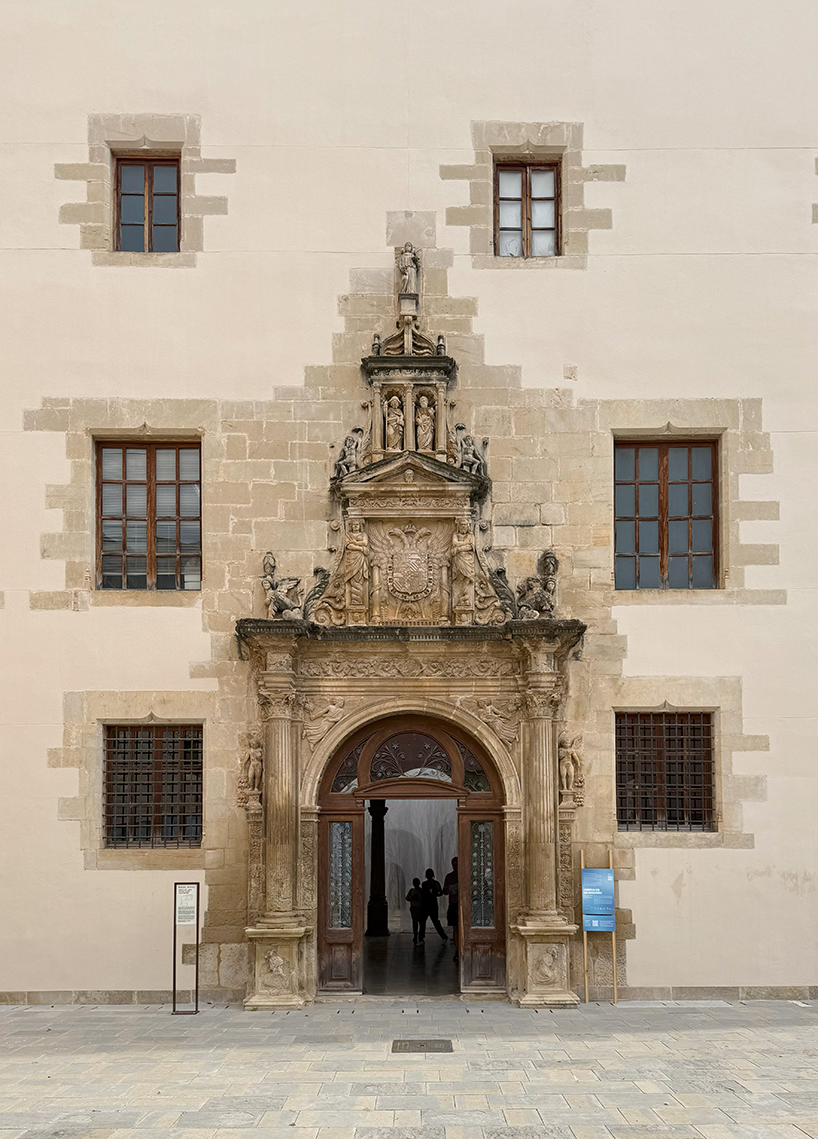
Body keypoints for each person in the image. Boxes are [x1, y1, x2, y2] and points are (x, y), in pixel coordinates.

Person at [419, 868, 447, 943]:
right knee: (422, 922)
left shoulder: (435, 883)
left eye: (430, 875)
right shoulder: (424, 884)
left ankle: (444, 936)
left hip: (432, 904)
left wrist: (434, 894)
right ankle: (421, 938)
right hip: (425, 904)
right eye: (428, 875)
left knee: (435, 922)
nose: (429, 876)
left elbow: (441, 893)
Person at [443, 856, 459, 962]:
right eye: (454, 865)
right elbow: (444, 891)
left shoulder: (465, 875)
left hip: (463, 904)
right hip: (453, 904)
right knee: (455, 928)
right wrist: (449, 889)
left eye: (457, 864)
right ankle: (457, 950)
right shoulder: (449, 876)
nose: (455, 867)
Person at [405, 877, 424, 945]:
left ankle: (418, 936)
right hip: (414, 908)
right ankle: (416, 935)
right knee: (416, 922)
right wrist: (413, 898)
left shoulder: (420, 891)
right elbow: (407, 898)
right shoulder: (413, 890)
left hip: (419, 908)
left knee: (418, 922)